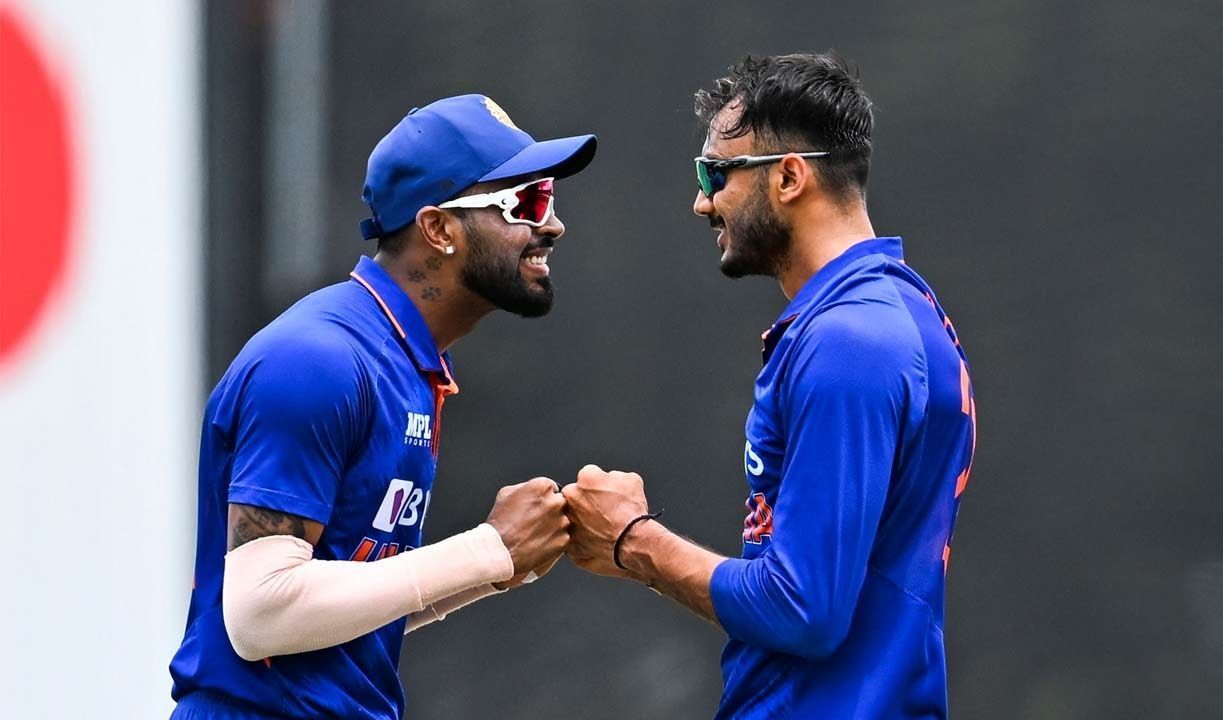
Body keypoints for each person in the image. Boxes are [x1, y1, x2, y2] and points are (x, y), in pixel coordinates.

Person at [563, 53, 977, 718]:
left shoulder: (849, 341)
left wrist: (635, 540)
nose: (702, 200)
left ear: (788, 177)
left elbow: (802, 609)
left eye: (715, 173)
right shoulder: (898, 315)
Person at [169, 94, 596, 719]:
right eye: (525, 201)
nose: (552, 224)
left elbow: (343, 608)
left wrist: (494, 566)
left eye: (548, 199)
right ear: (439, 230)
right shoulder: (318, 360)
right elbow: (260, 614)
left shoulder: (398, 359)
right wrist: (486, 548)